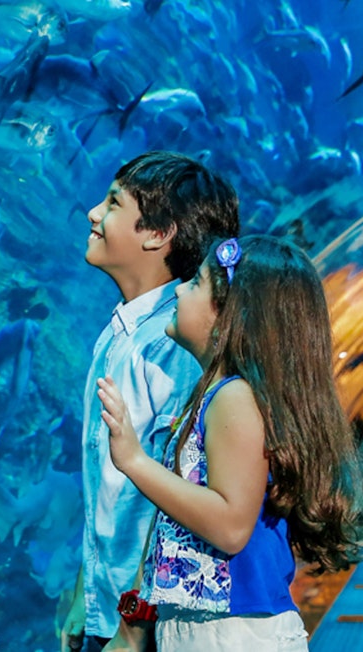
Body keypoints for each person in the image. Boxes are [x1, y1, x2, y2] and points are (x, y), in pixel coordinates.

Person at [98, 235, 363, 650]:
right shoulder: (219, 396)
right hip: (215, 629)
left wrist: (135, 461)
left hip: (233, 633)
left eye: (195, 284)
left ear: (229, 316)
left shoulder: (234, 398)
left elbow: (229, 527)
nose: (177, 289)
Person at [62, 151, 240, 652]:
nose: (94, 213)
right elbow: (108, 490)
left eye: (113, 203)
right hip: (110, 609)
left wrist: (135, 624)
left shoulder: (174, 345)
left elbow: (180, 496)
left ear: (158, 233)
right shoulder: (121, 332)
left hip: (146, 625)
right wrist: (86, 595)